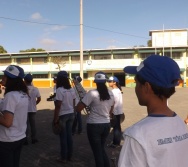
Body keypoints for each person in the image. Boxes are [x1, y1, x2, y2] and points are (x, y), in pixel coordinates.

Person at [118, 55, 188, 167]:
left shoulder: (137, 135)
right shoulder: (179, 122)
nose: (135, 88)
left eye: (136, 83)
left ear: (147, 87)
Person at [76, 71, 114, 167]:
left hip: (94, 125)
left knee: (97, 152)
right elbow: (112, 108)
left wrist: (80, 102)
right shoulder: (111, 94)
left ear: (95, 82)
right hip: (106, 124)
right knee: (101, 148)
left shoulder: (92, 93)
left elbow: (79, 108)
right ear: (105, 81)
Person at [0, 65, 29, 167]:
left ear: (12, 80)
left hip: (7, 140)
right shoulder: (24, 94)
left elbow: (7, 122)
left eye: (6, 76)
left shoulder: (10, 95)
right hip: (19, 137)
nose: (3, 78)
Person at [53, 70, 76, 163]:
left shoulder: (59, 90)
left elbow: (58, 106)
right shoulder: (71, 89)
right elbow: (74, 102)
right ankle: (70, 156)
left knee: (63, 137)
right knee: (69, 136)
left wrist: (55, 119)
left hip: (63, 115)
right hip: (71, 114)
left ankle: (63, 158)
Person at [107, 76, 124, 148]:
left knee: (116, 128)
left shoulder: (113, 92)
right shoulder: (118, 90)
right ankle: (116, 142)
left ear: (114, 82)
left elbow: (112, 103)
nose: (108, 83)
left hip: (115, 112)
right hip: (119, 111)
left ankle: (115, 144)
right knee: (117, 128)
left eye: (110, 81)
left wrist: (110, 113)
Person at [24, 74, 41, 144]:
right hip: (33, 110)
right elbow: (39, 99)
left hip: (25, 110)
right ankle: (34, 139)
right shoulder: (35, 89)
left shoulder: (23, 89)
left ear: (25, 80)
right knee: (33, 125)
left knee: (26, 125)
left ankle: (25, 140)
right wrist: (35, 104)